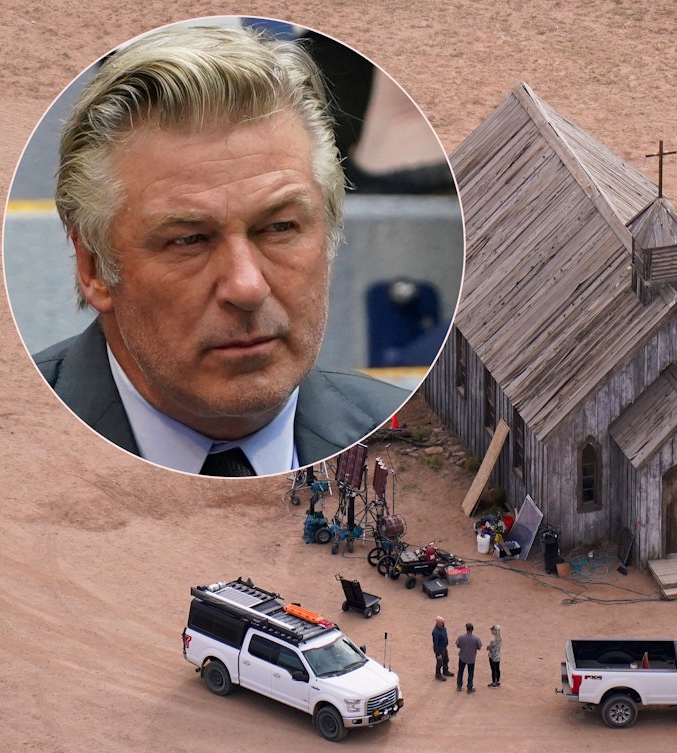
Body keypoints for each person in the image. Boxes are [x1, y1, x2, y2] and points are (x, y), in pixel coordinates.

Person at [33, 24, 410, 477]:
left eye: (279, 228)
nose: (247, 288)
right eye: (188, 240)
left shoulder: (411, 436)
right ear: (94, 266)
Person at [455, 622, 483, 694]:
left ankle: (459, 686)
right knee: (470, 673)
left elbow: (458, 645)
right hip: (471, 658)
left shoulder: (461, 637)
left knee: (460, 671)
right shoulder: (476, 639)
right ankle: (469, 687)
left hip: (462, 657)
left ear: (466, 629)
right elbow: (479, 647)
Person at [431, 616, 451, 682]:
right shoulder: (436, 632)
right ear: (438, 623)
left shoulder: (444, 628)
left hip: (444, 647)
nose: (443, 623)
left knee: (446, 660)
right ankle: (438, 674)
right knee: (439, 662)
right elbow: (435, 643)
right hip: (440, 649)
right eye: (442, 622)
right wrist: (438, 653)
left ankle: (445, 671)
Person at [486, 624, 502, 688]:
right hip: (498, 656)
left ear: (495, 631)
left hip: (492, 656)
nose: (491, 631)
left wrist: (488, 647)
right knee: (497, 668)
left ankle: (494, 683)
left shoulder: (492, 640)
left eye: (492, 630)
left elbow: (489, 648)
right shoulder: (500, 638)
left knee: (493, 669)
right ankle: (497, 681)